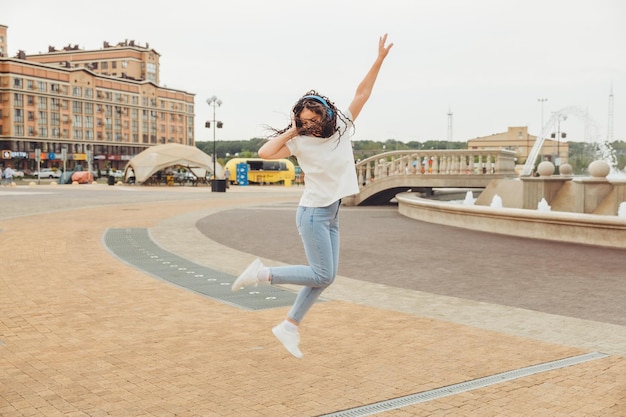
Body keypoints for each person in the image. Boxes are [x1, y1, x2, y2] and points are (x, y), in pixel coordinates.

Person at [232, 34, 393, 358]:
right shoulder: (298, 140)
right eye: (304, 122)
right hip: (313, 214)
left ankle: (289, 326)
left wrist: (378, 60)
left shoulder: (343, 126)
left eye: (313, 121)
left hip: (330, 214)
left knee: (324, 277)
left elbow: (362, 92)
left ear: (327, 116)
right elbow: (264, 150)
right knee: (322, 274)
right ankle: (262, 274)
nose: (310, 127)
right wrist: (293, 129)